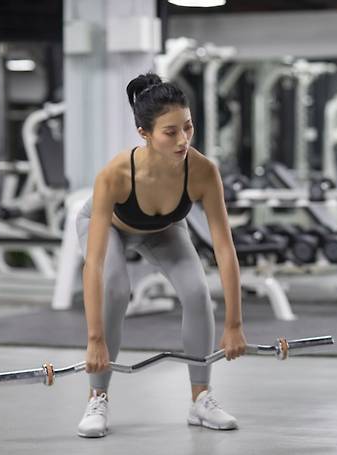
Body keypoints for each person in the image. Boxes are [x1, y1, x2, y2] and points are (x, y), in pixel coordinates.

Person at [75, 72, 247, 438]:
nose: (183, 139)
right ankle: (97, 396)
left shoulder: (202, 171)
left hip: (163, 230)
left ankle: (201, 399)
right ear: (145, 133)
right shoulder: (116, 175)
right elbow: (95, 266)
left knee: (198, 293)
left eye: (188, 127)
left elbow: (223, 247)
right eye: (171, 132)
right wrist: (94, 339)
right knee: (116, 290)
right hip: (108, 229)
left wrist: (234, 324)